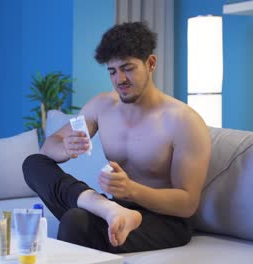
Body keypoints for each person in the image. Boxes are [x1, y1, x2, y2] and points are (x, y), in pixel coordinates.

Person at [22, 21, 211, 253]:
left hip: (164, 220)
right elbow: (49, 146)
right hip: (114, 207)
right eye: (112, 71)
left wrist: (131, 190)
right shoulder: (102, 106)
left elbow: (187, 204)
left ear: (151, 63)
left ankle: (109, 210)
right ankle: (104, 208)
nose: (119, 79)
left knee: (75, 222)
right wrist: (66, 149)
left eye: (128, 68)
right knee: (33, 164)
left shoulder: (183, 121)